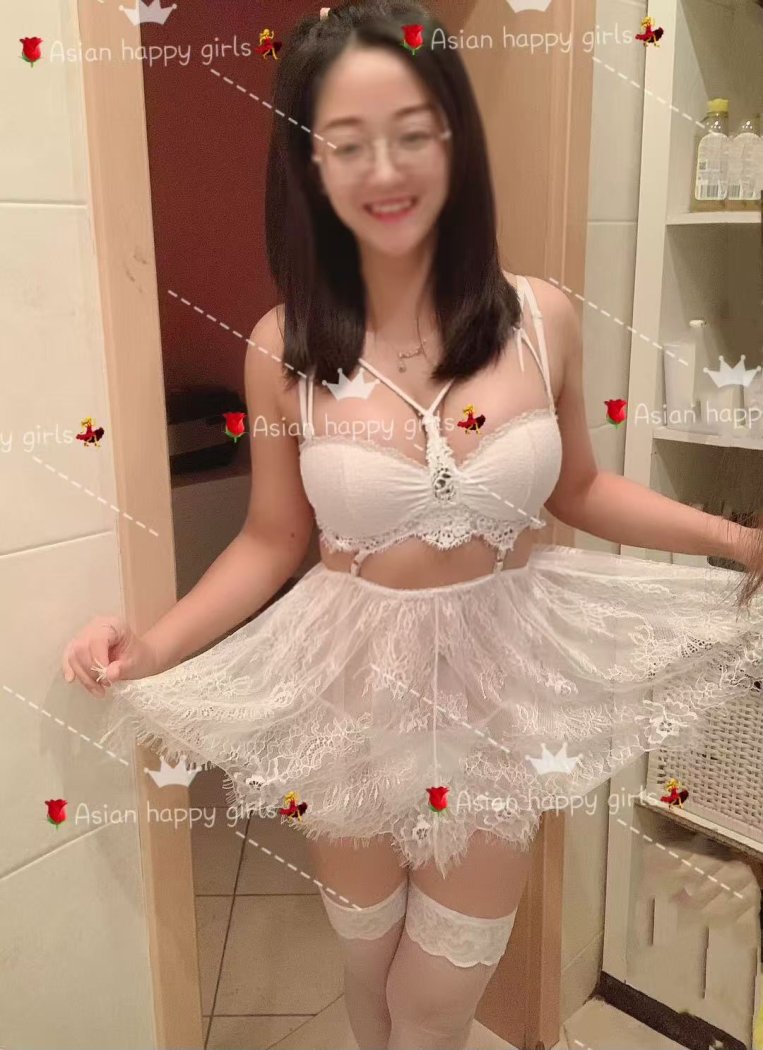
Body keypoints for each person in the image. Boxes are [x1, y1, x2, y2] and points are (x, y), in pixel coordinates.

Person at [61, 2, 763, 1048]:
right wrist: (152, 647)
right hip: (347, 692)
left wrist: (738, 542)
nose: (383, 169)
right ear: (308, 165)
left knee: (435, 1000)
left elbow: (578, 489)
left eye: (411, 132)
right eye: (346, 142)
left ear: (454, 138)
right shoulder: (282, 346)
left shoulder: (541, 319)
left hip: (498, 693)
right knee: (368, 961)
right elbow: (270, 538)